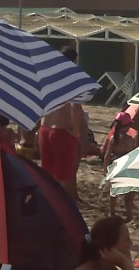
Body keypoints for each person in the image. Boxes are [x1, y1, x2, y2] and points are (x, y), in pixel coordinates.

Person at [40, 45, 86, 201]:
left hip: (45, 127)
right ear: (74, 60)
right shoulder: (72, 77)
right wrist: (76, 130)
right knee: (63, 176)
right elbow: (75, 106)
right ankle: (60, 207)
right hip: (61, 130)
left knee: (47, 173)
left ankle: (47, 204)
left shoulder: (49, 76)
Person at [103, 112, 136, 219]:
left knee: (114, 191)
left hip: (116, 166)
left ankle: (112, 212)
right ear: (126, 126)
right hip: (127, 167)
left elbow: (107, 156)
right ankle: (128, 212)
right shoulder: (130, 139)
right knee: (129, 192)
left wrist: (105, 169)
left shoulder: (114, 139)